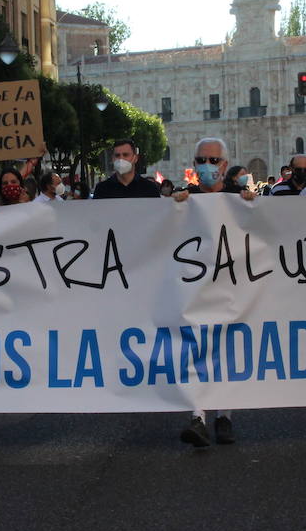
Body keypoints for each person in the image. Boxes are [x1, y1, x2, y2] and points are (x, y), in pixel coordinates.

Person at [172, 136, 255, 446]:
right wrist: (174, 208)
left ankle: (224, 417)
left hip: (233, 286)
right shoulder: (185, 198)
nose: (207, 167)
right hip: (195, 288)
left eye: (213, 161)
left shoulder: (238, 197)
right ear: (194, 165)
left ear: (224, 164)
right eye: (201, 161)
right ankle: (198, 417)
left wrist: (251, 204)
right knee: (195, 351)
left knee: (228, 353)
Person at [93, 139, 162, 199]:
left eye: (125, 155)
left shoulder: (149, 188)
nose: (121, 159)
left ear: (135, 158)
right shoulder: (102, 189)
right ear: (113, 158)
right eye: (117, 155)